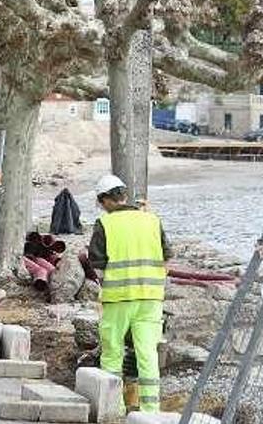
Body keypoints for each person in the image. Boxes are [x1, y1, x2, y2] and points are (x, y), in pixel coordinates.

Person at [88, 174, 171, 414]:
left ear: (106, 200)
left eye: (101, 203)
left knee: (112, 353)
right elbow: (167, 256)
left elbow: (97, 263)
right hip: (151, 299)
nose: (102, 208)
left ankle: (113, 409)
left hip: (118, 299)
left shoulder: (105, 224)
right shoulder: (152, 220)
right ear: (124, 195)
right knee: (147, 355)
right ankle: (150, 412)